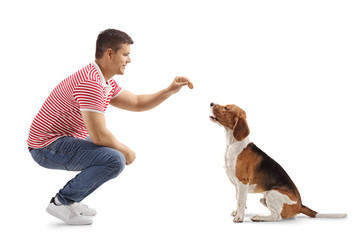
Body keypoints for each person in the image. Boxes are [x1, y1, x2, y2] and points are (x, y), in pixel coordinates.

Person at [27, 29, 192, 225]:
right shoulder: (91, 83)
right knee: (115, 159)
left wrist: (169, 91)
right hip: (45, 147)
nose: (129, 60)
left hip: (63, 140)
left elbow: (138, 102)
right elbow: (99, 136)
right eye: (125, 54)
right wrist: (125, 150)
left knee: (112, 154)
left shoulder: (103, 81)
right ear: (109, 54)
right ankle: (62, 202)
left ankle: (72, 199)